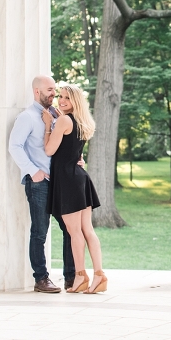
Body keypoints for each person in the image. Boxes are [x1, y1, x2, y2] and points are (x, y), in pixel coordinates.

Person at [8, 75, 75, 293]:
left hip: (59, 182)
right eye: (49, 89)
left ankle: (71, 277)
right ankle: (41, 278)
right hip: (39, 184)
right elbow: (15, 146)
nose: (53, 93)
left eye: (54, 89)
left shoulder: (56, 115)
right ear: (37, 91)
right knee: (39, 232)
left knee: (69, 228)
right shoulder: (27, 117)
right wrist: (32, 171)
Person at [42, 84, 106, 294]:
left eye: (66, 98)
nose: (61, 101)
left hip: (68, 180)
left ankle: (80, 276)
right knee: (87, 230)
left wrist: (47, 126)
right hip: (80, 178)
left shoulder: (63, 120)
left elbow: (50, 150)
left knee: (75, 232)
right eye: (60, 97)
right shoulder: (83, 122)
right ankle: (99, 275)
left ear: (75, 101)